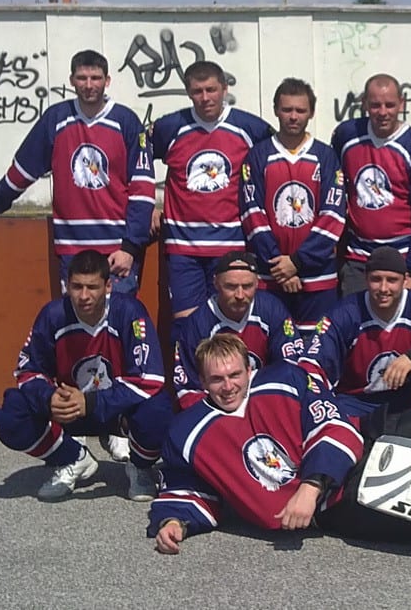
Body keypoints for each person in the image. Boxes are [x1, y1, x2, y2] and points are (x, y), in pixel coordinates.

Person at [0, 49, 153, 295]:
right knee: (76, 319)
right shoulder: (56, 119)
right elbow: (22, 171)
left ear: (107, 80)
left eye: (95, 78)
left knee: (118, 318)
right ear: (71, 81)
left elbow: (142, 190)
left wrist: (130, 247)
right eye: (82, 78)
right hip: (72, 248)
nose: (89, 85)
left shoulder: (126, 121)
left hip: (117, 250)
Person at [149, 334, 364, 553]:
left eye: (235, 375)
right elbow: (185, 487)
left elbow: (333, 426)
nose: (228, 386)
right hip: (333, 511)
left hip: (346, 477)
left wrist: (310, 488)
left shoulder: (286, 379)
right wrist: (174, 522)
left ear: (249, 370)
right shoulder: (185, 433)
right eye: (217, 379)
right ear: (202, 381)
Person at [0, 250, 169, 502]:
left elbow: (149, 378)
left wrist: (91, 402)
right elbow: (28, 370)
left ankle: (140, 466)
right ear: (67, 285)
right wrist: (49, 397)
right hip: (68, 409)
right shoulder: (53, 315)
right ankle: (73, 458)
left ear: (108, 286)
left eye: (92, 287)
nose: (84, 296)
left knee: (159, 411)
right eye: (77, 287)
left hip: (116, 410)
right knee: (11, 415)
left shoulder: (129, 312)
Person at [149, 60, 273, 319]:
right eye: (197, 91)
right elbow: (133, 162)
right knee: (187, 323)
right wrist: (149, 203)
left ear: (224, 89)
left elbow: (275, 167)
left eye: (211, 90)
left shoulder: (251, 128)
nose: (205, 98)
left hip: (232, 243)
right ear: (188, 92)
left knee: (229, 320)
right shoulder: (169, 128)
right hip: (183, 247)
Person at [297, 246, 411, 419]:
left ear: (405, 280)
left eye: (392, 280)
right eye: (376, 279)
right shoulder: (344, 314)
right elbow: (313, 364)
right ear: (366, 278)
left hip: (410, 403)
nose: (383, 288)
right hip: (355, 404)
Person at [240, 78, 344, 337]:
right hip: (271, 276)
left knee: (317, 347)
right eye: (287, 110)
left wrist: (298, 262)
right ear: (276, 110)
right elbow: (252, 213)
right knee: (275, 344)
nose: (293, 117)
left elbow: (332, 215)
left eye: (300, 110)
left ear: (311, 112)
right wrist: (281, 267)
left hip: (318, 278)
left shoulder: (326, 157)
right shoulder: (258, 156)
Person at [330, 73, 411, 296]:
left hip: (404, 260)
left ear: (402, 103)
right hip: (358, 259)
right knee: (355, 318)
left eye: (390, 105)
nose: (383, 112)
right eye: (375, 105)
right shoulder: (346, 135)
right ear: (364, 104)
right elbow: (335, 190)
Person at [172, 251, 303, 410]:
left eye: (247, 286)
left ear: (257, 283)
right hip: (219, 406)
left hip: (267, 401)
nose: (240, 295)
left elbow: (292, 368)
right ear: (216, 283)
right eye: (231, 286)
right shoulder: (196, 325)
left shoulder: (272, 310)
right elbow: (189, 390)